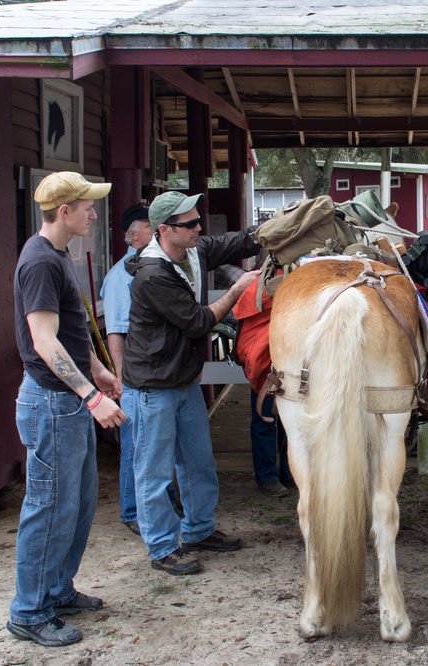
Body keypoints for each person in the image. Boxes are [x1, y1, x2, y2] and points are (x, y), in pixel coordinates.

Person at [8, 172, 125, 647]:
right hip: (53, 404)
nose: (93, 214)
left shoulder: (58, 255)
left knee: (75, 505)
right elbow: (44, 342)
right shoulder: (40, 262)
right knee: (49, 507)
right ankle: (29, 610)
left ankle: (56, 590)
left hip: (67, 402)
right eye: (87, 207)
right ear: (64, 212)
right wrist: (92, 396)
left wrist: (96, 369)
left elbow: (72, 334)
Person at [124, 190, 261, 576]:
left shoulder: (192, 250)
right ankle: (163, 547)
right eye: (191, 224)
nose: (200, 227)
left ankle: (199, 530)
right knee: (154, 473)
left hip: (183, 382)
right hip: (153, 388)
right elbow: (199, 321)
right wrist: (237, 290)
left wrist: (277, 227)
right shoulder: (152, 274)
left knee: (199, 463)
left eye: (198, 220)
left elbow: (234, 241)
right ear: (165, 230)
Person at [101, 203, 154, 536]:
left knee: (156, 444)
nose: (156, 230)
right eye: (150, 226)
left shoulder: (156, 267)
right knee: (135, 444)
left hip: (153, 373)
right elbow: (116, 333)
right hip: (133, 376)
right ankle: (132, 510)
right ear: (132, 235)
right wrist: (121, 380)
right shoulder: (121, 277)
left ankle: (154, 503)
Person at [251, 390, 295, 497]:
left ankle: (290, 471)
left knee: (291, 420)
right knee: (265, 419)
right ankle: (267, 475)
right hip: (265, 374)